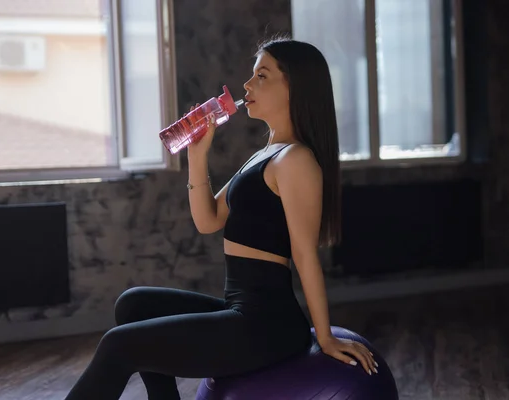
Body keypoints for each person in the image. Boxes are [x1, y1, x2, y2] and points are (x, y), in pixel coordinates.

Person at [65, 35, 377, 400]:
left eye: (262, 75)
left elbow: (305, 253)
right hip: (240, 308)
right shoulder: (266, 154)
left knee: (119, 346)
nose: (247, 85)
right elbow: (209, 220)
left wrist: (323, 337)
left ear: (295, 88)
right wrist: (197, 157)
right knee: (134, 304)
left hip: (266, 326)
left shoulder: (296, 160)